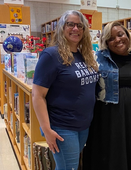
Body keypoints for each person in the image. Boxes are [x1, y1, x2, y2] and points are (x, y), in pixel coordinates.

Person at [32, 10, 99, 170]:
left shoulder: (84, 55)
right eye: (70, 24)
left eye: (80, 26)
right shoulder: (51, 55)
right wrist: (47, 130)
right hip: (62, 126)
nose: (75, 29)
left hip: (83, 125)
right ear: (62, 27)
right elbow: (37, 95)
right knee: (68, 167)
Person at [83, 21, 131, 170]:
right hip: (106, 115)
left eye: (120, 34)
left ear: (127, 35)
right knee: (109, 153)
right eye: (111, 38)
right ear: (106, 42)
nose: (118, 40)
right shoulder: (97, 59)